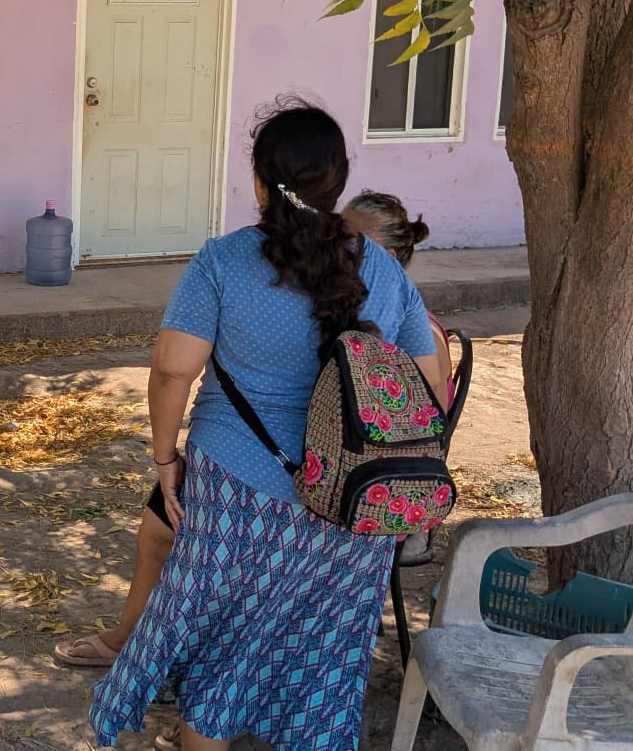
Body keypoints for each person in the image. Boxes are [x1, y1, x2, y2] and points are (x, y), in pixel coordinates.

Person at [88, 100, 443, 751]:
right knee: (325, 666)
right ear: (337, 182)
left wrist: (166, 459)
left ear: (260, 182)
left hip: (239, 492)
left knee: (225, 657)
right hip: (350, 506)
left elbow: (172, 371)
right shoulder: (386, 272)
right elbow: (429, 387)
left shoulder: (223, 262)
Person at [55, 188, 453, 673]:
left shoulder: (405, 315)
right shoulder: (320, 289)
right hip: (296, 471)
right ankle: (136, 644)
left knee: (220, 566)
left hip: (350, 489)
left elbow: (425, 410)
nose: (333, 242)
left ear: (385, 257)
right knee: (160, 528)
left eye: (349, 239)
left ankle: (194, 687)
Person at [342, 191, 454, 406]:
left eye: (351, 245)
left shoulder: (421, 328)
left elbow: (431, 415)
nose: (336, 251)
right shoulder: (363, 308)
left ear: (388, 261)